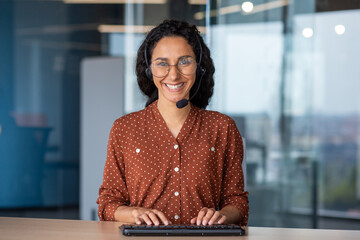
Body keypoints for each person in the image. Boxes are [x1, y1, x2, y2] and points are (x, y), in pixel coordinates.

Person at [97, 19, 249, 226]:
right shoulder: (125, 128)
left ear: (199, 66)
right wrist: (134, 214)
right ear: (149, 70)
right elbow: (107, 203)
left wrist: (220, 216)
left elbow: (237, 201)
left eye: (185, 61)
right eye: (162, 63)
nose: (174, 74)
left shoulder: (222, 127)